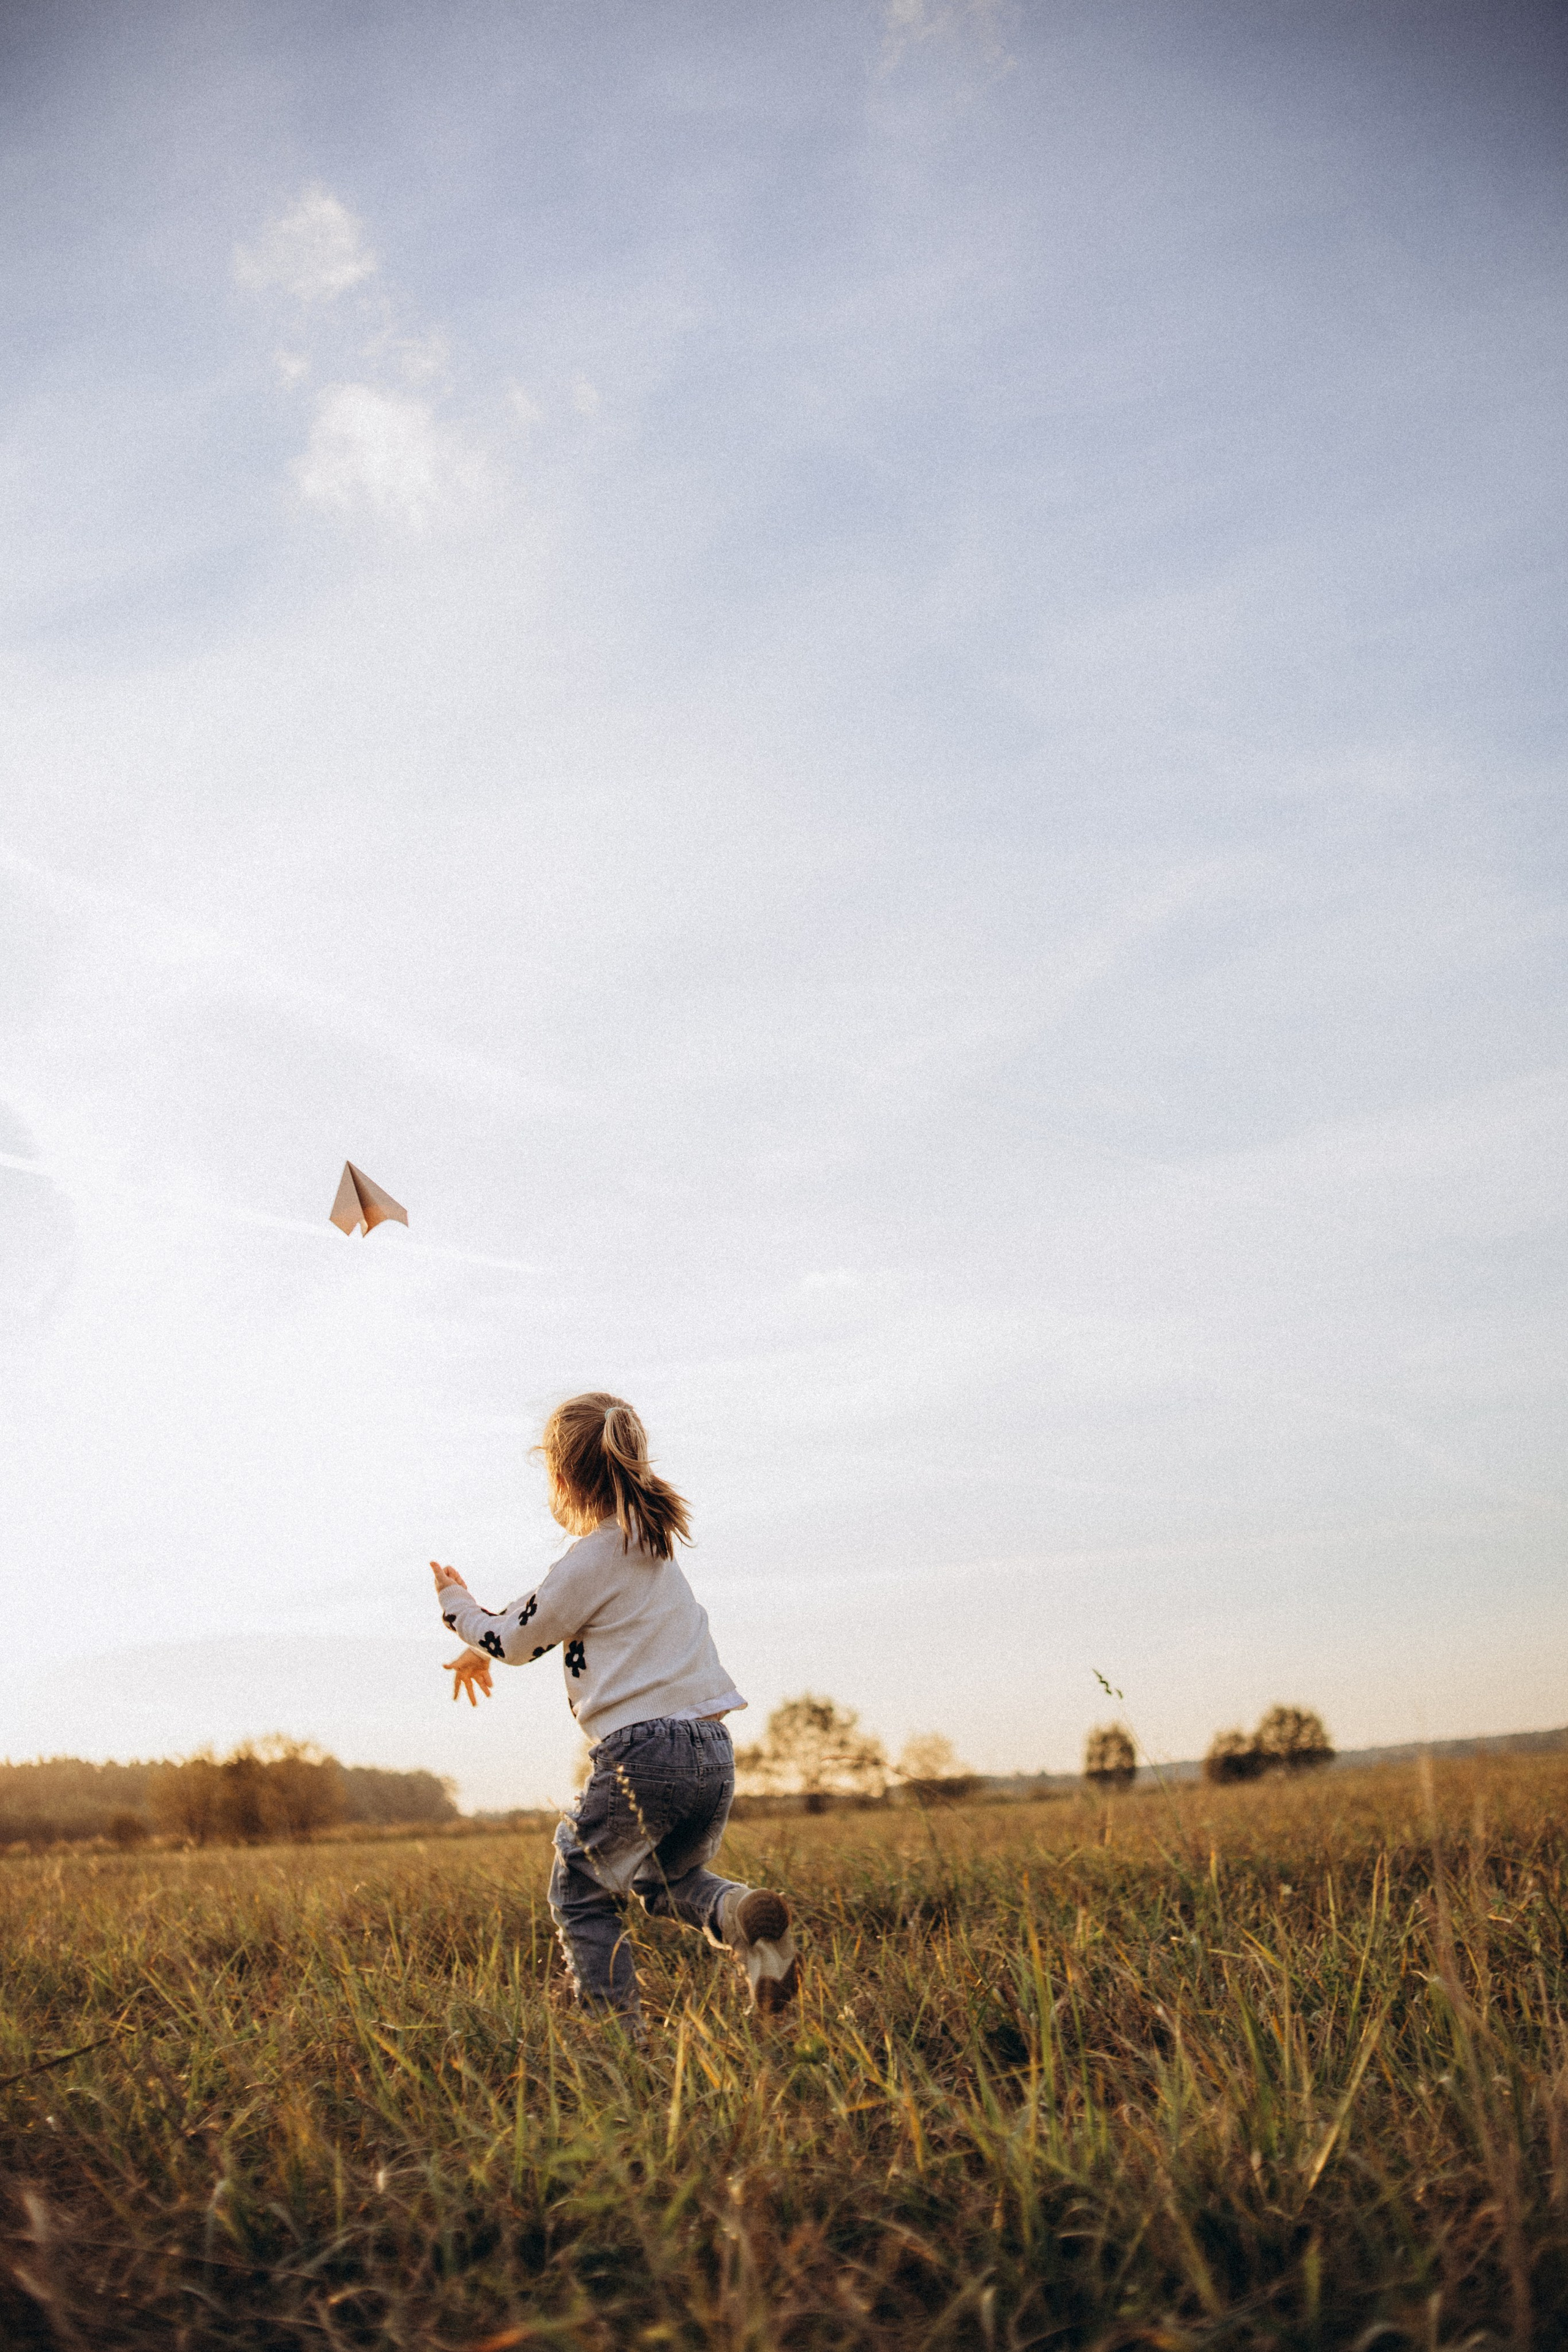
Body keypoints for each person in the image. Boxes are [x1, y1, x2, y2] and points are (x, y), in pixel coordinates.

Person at [431, 1390, 797, 2030]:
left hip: (645, 1753)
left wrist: (457, 1609)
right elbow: (543, 1610)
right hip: (711, 1752)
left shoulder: (591, 1559)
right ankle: (737, 1915)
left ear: (561, 1479)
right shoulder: (650, 1545)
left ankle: (613, 2034)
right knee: (666, 1878)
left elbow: (518, 1639)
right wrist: (481, 1642)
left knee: (580, 1886)